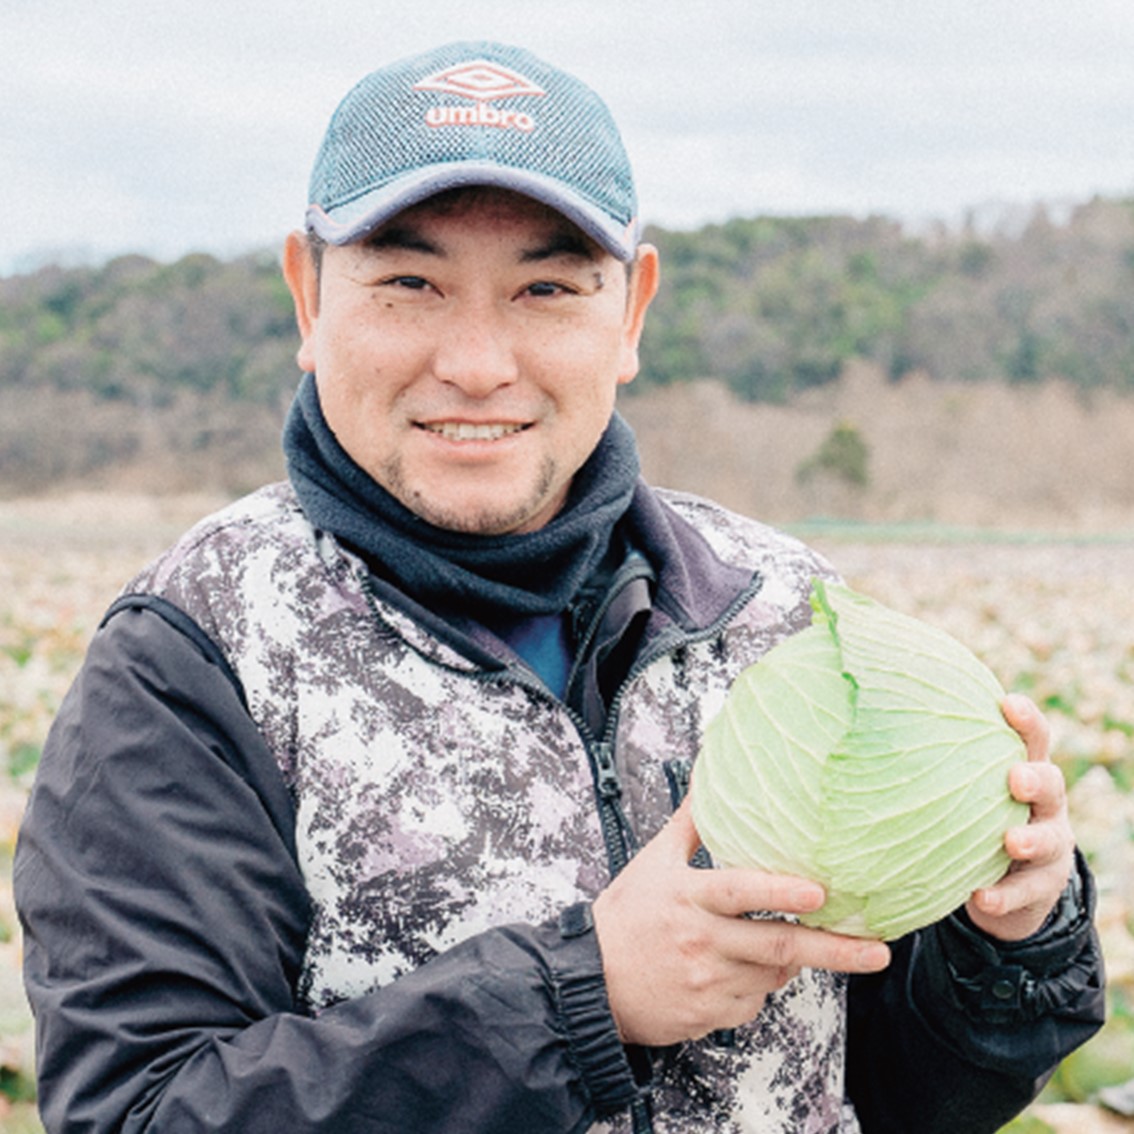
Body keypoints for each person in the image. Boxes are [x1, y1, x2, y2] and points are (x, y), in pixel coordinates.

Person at [14, 40, 1103, 1134]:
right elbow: (137, 1113)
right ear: (308, 297)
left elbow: (910, 1097)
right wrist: (582, 1000)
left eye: (546, 287)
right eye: (409, 283)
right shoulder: (194, 655)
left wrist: (1004, 935)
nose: (479, 362)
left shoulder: (783, 616)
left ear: (629, 312)